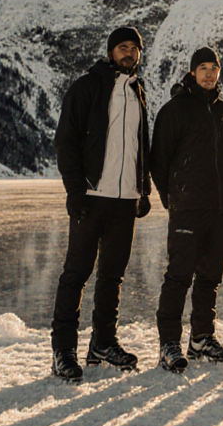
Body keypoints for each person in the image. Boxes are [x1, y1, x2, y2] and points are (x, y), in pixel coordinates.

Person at [50, 27, 153, 382]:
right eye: (122, 47)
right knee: (76, 273)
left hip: (125, 201)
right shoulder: (87, 87)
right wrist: (76, 191)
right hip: (92, 197)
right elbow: (67, 141)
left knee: (113, 275)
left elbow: (141, 147)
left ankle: (102, 344)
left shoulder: (138, 92)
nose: (128, 53)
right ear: (110, 52)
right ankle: (63, 351)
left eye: (134, 48)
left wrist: (143, 190)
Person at [149, 47, 223, 373]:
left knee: (209, 278)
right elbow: (158, 160)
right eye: (203, 68)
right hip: (187, 208)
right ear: (192, 72)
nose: (209, 74)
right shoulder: (174, 110)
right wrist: (172, 198)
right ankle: (168, 344)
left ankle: (201, 338)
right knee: (178, 277)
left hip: (219, 209)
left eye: (214, 68)